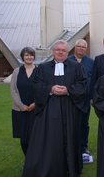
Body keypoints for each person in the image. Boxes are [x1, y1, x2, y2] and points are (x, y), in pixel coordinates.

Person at [22, 40, 87, 177]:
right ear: (53, 51)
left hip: (69, 109)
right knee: (50, 138)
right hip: (49, 110)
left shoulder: (76, 67)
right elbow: (36, 85)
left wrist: (68, 90)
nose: (60, 52)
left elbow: (83, 85)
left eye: (63, 50)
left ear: (67, 52)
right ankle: (49, 166)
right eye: (58, 50)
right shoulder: (43, 68)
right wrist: (50, 89)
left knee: (70, 138)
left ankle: (70, 167)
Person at [68, 39, 94, 164]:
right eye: (79, 46)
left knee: (84, 124)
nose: (81, 49)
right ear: (75, 47)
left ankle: (83, 147)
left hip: (85, 100)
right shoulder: (67, 61)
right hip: (70, 100)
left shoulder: (90, 62)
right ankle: (70, 147)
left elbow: (93, 80)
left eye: (84, 47)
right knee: (70, 124)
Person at [10, 47, 37, 156]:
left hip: (35, 110)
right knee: (24, 138)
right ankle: (27, 160)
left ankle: (35, 161)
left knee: (35, 137)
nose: (29, 57)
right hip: (20, 110)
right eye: (26, 55)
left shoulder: (39, 71)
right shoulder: (16, 71)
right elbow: (13, 90)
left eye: (31, 55)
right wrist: (21, 106)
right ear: (22, 57)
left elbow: (42, 90)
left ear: (34, 57)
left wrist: (35, 104)